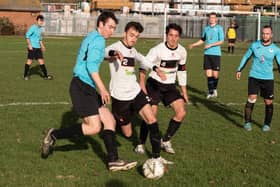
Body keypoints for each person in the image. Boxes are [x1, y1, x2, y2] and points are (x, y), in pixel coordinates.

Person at [41, 11, 137, 171]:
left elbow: (91, 57)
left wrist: (111, 56)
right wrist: (103, 89)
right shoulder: (99, 41)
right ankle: (53, 135)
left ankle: (113, 160)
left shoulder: (92, 37)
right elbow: (91, 67)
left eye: (114, 28)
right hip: (82, 86)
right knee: (94, 127)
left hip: (85, 86)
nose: (111, 31)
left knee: (109, 120)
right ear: (100, 24)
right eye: (109, 27)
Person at [105, 21, 172, 164]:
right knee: (128, 134)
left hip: (135, 92)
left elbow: (143, 59)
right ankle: (113, 122)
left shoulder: (133, 51)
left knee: (152, 119)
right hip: (120, 97)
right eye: (131, 35)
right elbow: (104, 53)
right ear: (125, 34)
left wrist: (156, 69)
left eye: (136, 36)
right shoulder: (115, 47)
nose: (133, 39)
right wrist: (114, 53)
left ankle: (156, 157)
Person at [134, 23, 188, 155]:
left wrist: (184, 92)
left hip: (170, 86)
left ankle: (165, 140)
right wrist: (142, 84)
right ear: (166, 35)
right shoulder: (157, 50)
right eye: (170, 35)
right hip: (154, 84)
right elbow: (143, 65)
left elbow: (182, 71)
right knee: (151, 115)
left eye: (176, 36)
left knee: (181, 113)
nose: (173, 38)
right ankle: (140, 143)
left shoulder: (182, 51)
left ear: (179, 37)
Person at [236, 25, 280, 132]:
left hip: (268, 79)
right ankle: (247, 123)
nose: (265, 35)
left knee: (268, 102)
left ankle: (267, 124)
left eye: (267, 33)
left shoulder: (275, 49)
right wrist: (239, 69)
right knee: (251, 98)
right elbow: (246, 57)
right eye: (263, 33)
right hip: (254, 77)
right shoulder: (254, 45)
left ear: (271, 35)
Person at [189, 12, 224, 99]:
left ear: (216, 19)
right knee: (208, 74)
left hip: (216, 54)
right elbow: (202, 40)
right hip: (207, 54)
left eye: (213, 17)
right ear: (209, 19)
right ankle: (210, 91)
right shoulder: (206, 29)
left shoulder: (219, 28)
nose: (212, 19)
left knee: (215, 75)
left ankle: (214, 89)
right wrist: (194, 44)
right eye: (210, 17)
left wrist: (211, 45)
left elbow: (221, 41)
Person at [23, 15, 53, 80]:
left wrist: (42, 46)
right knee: (29, 61)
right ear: (37, 21)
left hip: (38, 48)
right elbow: (27, 36)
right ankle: (25, 76)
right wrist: (29, 45)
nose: (41, 22)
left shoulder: (40, 29)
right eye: (40, 21)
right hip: (32, 47)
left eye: (42, 21)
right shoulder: (33, 27)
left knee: (41, 61)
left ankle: (45, 76)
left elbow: (40, 39)